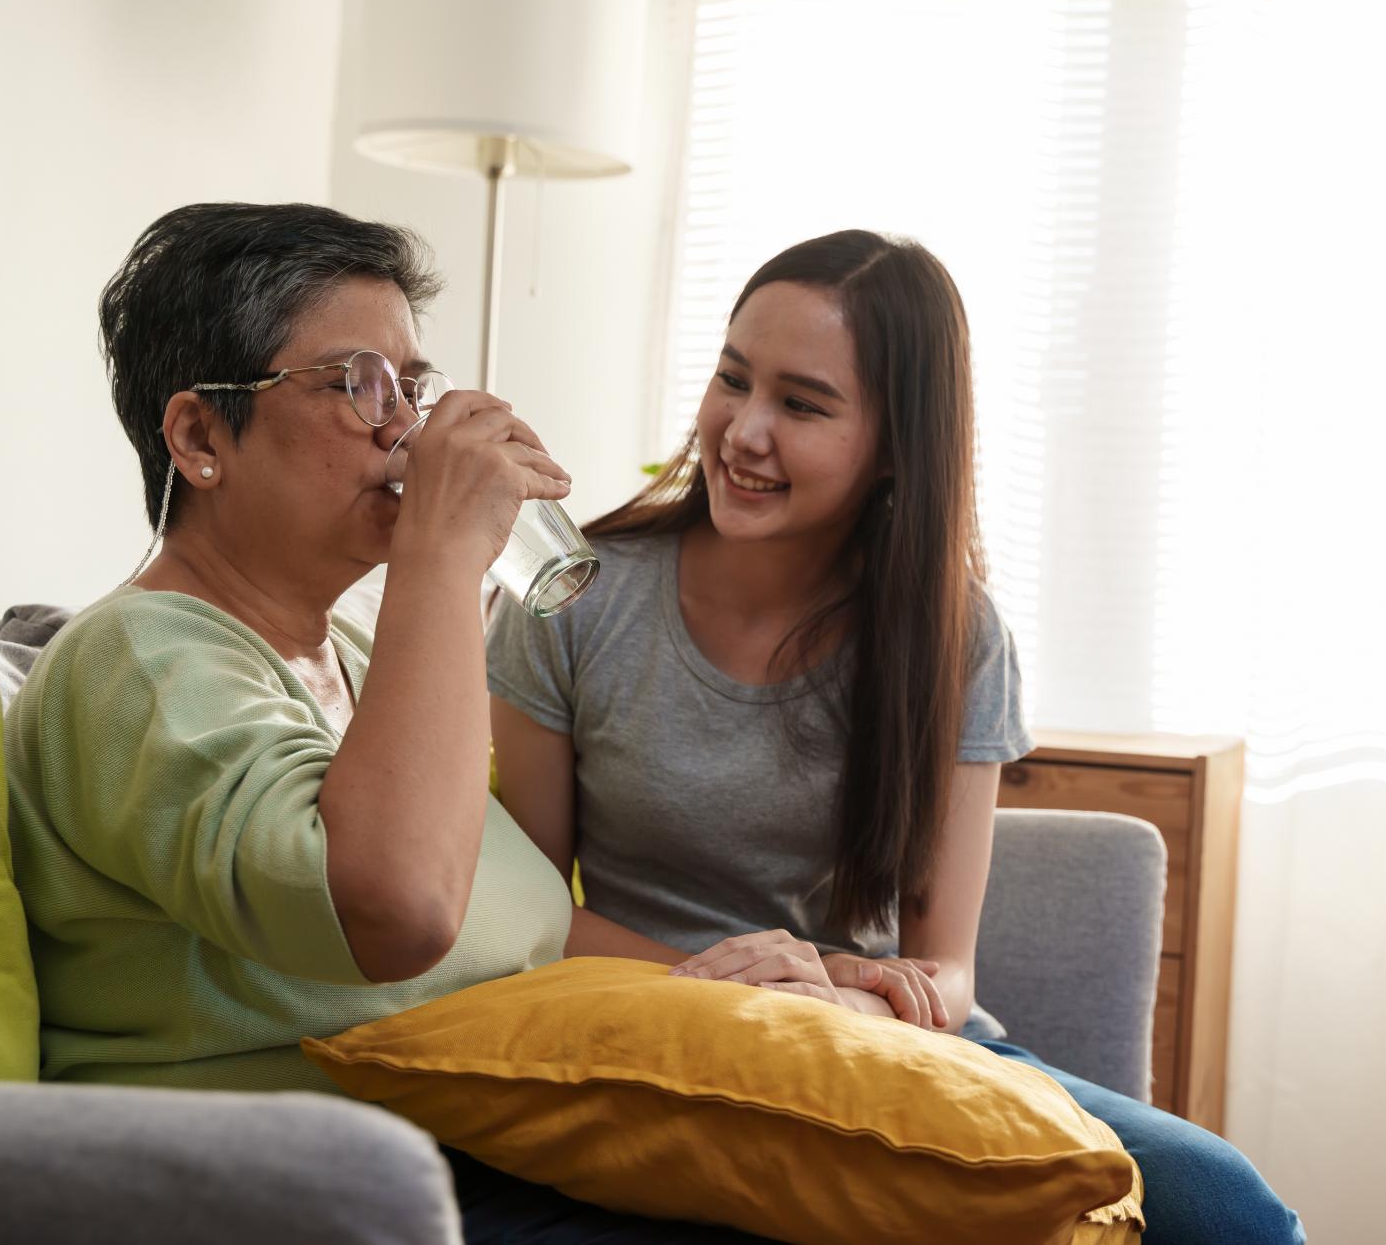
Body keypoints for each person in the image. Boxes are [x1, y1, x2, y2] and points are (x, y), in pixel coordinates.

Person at [486, 229, 1305, 1245]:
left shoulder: (954, 642)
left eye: (802, 403)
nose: (742, 430)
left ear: (892, 446)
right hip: (639, 1026)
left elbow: (945, 975)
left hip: (867, 1036)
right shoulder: (574, 596)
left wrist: (837, 1004)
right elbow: (519, 916)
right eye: (732, 379)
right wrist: (738, 989)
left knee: (1228, 1212)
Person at [6, 202, 764, 1243]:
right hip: (289, 1194)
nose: (405, 426)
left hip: (481, 1148)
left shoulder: (357, 655)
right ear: (197, 436)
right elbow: (396, 911)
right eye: (355, 383)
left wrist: (719, 983)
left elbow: (524, 924)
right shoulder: (135, 658)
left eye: (411, 385)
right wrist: (443, 561)